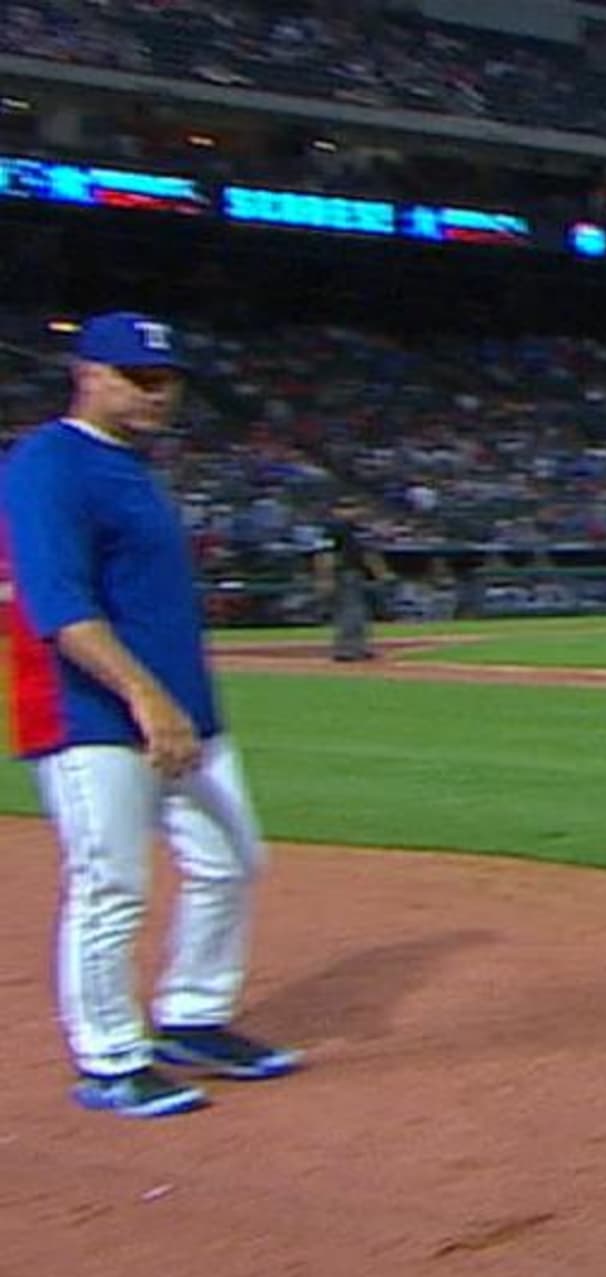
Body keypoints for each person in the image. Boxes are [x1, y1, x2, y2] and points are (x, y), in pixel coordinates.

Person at [1, 312, 302, 1119]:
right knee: (111, 884)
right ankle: (108, 1059)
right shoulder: (47, 464)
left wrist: (180, 708)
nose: (157, 393)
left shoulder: (134, 467)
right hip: (90, 712)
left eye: (165, 379)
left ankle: (193, 1016)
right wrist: (143, 696)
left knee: (232, 859)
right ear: (87, 374)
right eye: (138, 377)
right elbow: (60, 607)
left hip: (184, 713)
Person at [314, 496, 387, 661]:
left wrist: (380, 573)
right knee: (349, 611)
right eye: (344, 508)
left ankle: (359, 647)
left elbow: (370, 553)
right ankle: (346, 649)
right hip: (343, 573)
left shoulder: (360, 528)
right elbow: (324, 555)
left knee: (360, 612)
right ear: (335, 511)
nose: (350, 511)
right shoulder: (332, 528)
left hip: (359, 574)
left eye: (353, 507)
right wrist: (325, 578)